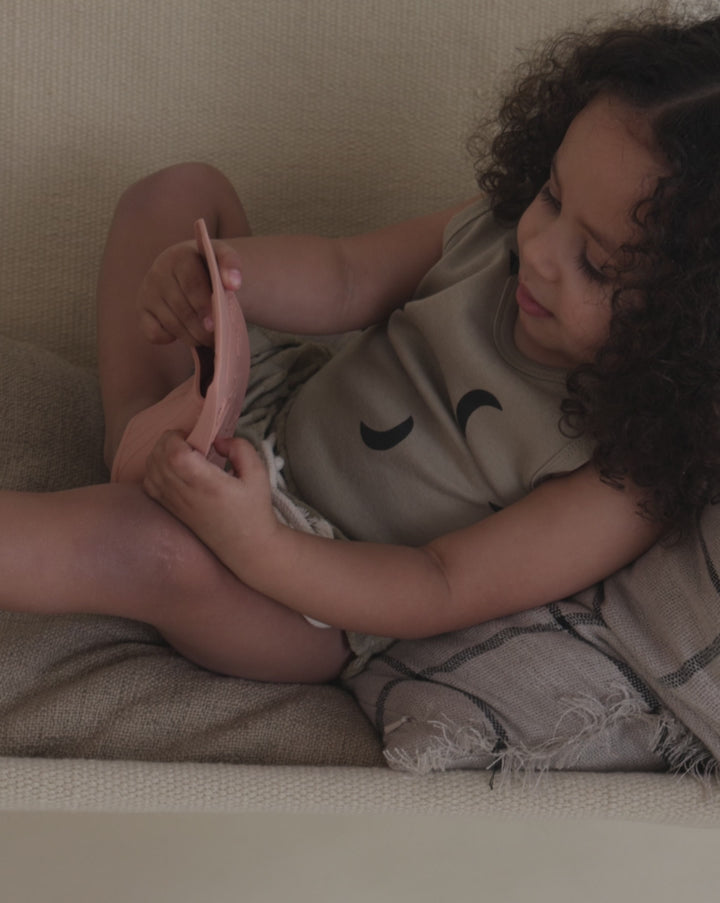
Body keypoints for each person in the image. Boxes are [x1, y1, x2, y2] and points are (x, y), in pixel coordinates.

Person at [2, 13, 720, 686]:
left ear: (691, 325)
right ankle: (138, 425)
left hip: (309, 593)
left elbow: (441, 584)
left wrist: (258, 544)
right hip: (270, 412)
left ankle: (134, 492)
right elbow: (344, 276)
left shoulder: (625, 476)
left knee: (152, 549)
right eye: (553, 195)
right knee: (178, 193)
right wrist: (221, 277)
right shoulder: (498, 234)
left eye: (597, 265)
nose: (537, 253)